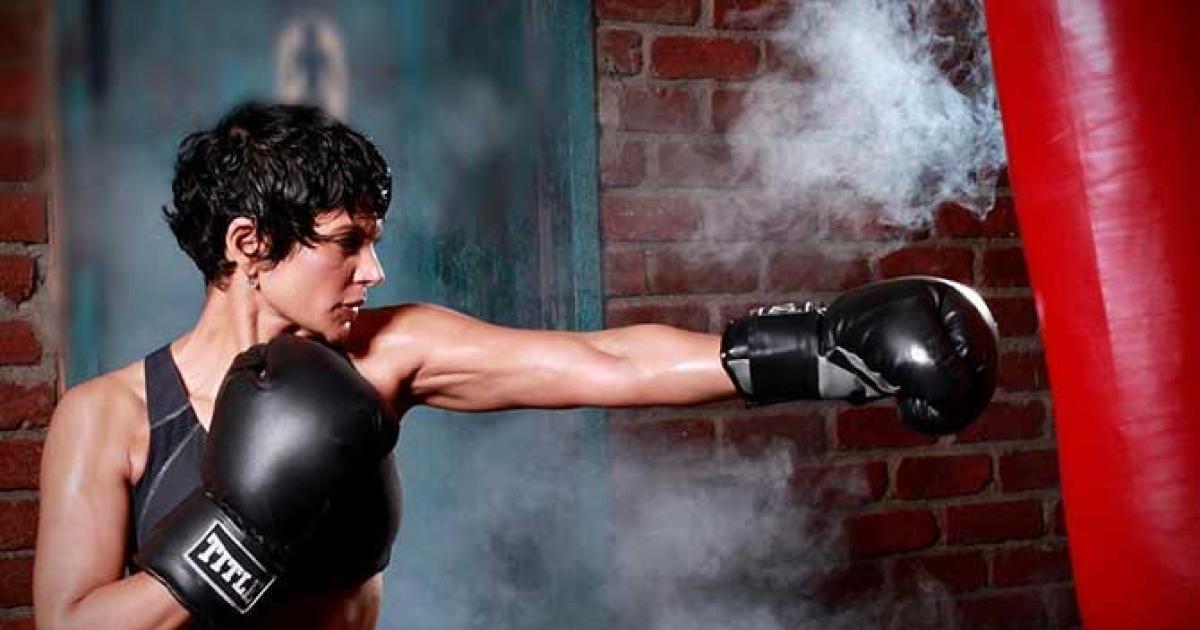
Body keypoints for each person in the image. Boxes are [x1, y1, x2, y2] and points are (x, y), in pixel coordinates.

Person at [33, 102, 997, 629]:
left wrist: (819, 349)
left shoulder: (387, 353)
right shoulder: (109, 416)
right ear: (250, 244)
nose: (374, 270)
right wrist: (237, 533)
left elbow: (601, 361)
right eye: (347, 243)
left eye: (376, 239)